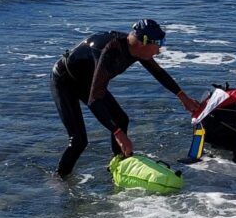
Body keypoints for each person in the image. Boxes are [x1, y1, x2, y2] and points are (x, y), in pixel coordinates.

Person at [50, 19, 200, 177]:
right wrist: (118, 134)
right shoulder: (109, 52)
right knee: (79, 140)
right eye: (158, 46)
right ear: (143, 42)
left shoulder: (136, 49)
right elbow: (94, 100)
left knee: (121, 120)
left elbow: (158, 72)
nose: (158, 52)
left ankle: (119, 166)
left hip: (88, 82)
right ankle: (59, 179)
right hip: (64, 80)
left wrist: (183, 97)